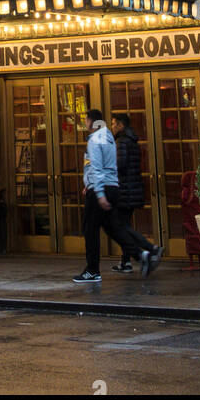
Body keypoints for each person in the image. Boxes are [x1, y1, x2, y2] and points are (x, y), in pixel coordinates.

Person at [73, 109, 161, 283]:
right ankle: (141, 254)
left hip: (101, 189)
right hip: (113, 187)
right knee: (113, 227)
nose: (85, 124)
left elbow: (97, 167)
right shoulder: (109, 138)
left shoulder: (96, 139)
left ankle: (92, 270)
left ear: (91, 121)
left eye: (86, 120)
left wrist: (97, 192)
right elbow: (111, 166)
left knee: (90, 230)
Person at [110, 112, 162, 274]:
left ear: (120, 125)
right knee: (124, 225)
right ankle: (126, 262)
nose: (111, 127)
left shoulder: (122, 141)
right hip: (132, 188)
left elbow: (120, 165)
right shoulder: (132, 140)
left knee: (119, 225)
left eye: (113, 124)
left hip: (124, 189)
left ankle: (150, 248)